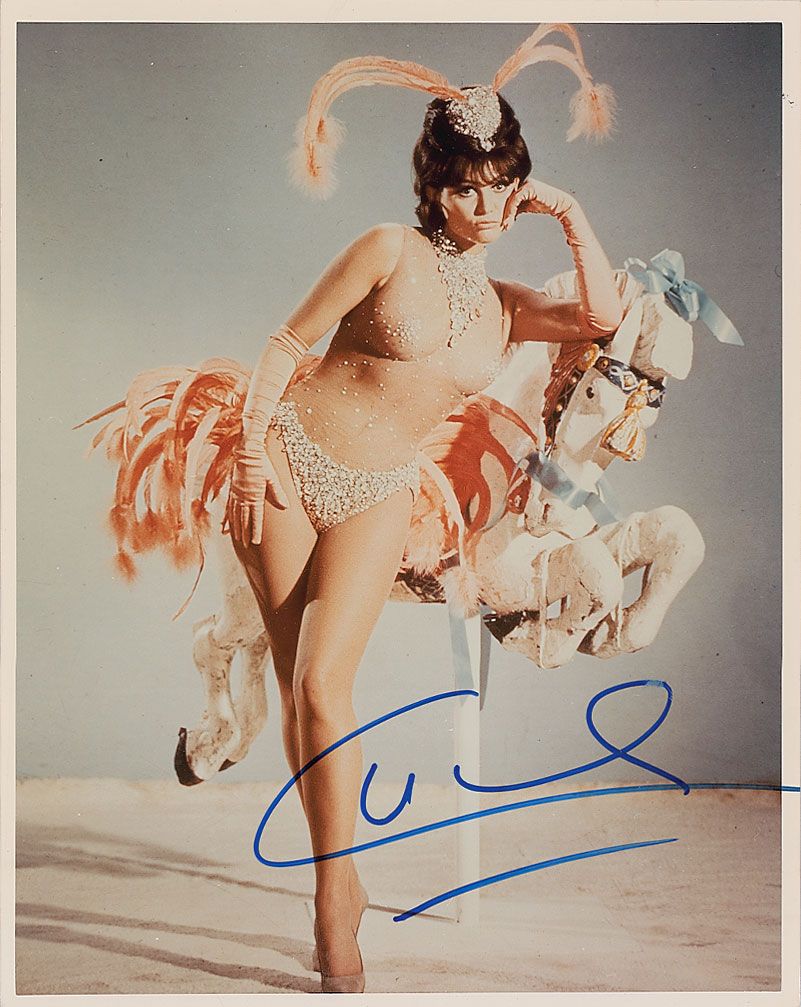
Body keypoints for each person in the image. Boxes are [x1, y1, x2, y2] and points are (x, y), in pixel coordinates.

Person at [225, 25, 623, 994]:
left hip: (379, 492)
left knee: (324, 685)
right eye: (465, 188)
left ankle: (334, 898)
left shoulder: (508, 304)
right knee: (297, 691)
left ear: (519, 183)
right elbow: (285, 345)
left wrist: (571, 215)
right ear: (434, 186)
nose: (485, 208)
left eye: (502, 186)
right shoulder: (385, 247)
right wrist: (246, 457)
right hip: (286, 466)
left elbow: (601, 318)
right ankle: (341, 879)